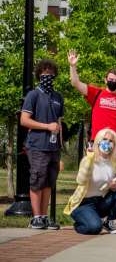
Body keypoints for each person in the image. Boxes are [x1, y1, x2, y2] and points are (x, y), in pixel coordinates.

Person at [68, 50, 116, 165]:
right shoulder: (96, 93)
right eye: (111, 80)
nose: (113, 82)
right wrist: (73, 66)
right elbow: (75, 83)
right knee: (97, 177)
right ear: (105, 80)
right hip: (99, 142)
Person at [20, 59, 64, 230]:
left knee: (48, 183)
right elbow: (24, 120)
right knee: (37, 181)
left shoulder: (58, 97)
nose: (48, 77)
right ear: (39, 75)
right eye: (45, 74)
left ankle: (44, 217)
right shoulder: (33, 95)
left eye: (51, 74)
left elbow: (59, 122)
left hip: (54, 148)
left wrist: (60, 146)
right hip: (38, 145)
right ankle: (36, 218)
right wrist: (47, 126)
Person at [64, 128, 116, 234]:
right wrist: (89, 159)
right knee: (95, 228)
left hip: (101, 201)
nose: (107, 143)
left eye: (111, 141)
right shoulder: (88, 159)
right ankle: (80, 224)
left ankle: (109, 221)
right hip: (83, 203)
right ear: (98, 141)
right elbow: (80, 181)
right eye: (105, 139)